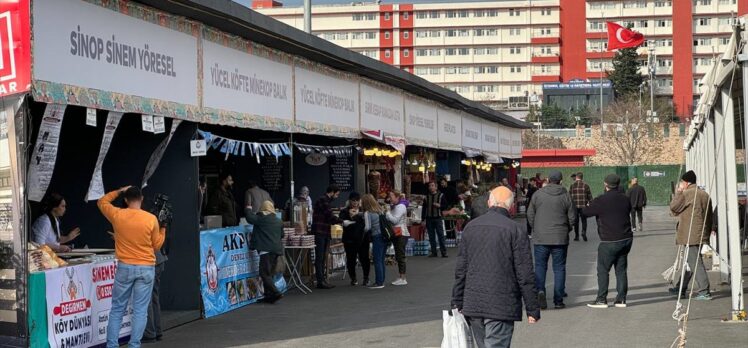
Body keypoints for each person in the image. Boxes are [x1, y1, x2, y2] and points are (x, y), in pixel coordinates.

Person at [452, 186, 540, 348]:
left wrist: (457, 301)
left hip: (474, 303)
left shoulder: (471, 227)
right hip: (502, 303)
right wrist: (532, 308)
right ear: (511, 206)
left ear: (489, 203)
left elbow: (461, 270)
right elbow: (524, 273)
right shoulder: (515, 230)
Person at [98, 186, 165, 348]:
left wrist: (120, 190)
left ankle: (112, 345)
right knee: (140, 311)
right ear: (141, 199)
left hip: (125, 266)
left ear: (126, 200)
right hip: (146, 267)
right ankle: (134, 345)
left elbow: (102, 201)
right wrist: (163, 228)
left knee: (117, 310)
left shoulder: (117, 215)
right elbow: (157, 244)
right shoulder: (150, 219)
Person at [583, 174, 634, 308]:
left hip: (609, 240)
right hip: (626, 238)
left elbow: (586, 212)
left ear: (605, 184)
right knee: (621, 269)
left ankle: (601, 299)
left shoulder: (601, 200)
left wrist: (589, 204)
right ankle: (621, 299)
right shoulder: (625, 199)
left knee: (603, 269)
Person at [527, 171, 575, 310]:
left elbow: (530, 214)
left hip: (541, 237)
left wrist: (535, 228)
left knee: (540, 266)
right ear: (560, 180)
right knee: (559, 268)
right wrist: (567, 229)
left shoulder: (538, 194)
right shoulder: (566, 195)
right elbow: (572, 217)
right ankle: (558, 300)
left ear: (548, 180)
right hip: (560, 237)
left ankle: (540, 290)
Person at [668, 170, 713, 300]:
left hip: (690, 234)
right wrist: (707, 233)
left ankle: (704, 291)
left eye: (682, 182)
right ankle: (681, 287)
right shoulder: (705, 195)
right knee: (690, 262)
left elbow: (674, 208)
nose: (681, 184)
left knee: (694, 262)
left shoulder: (687, 194)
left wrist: (678, 192)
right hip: (700, 233)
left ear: (686, 183)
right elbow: (709, 216)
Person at [245, 201, 284, 303]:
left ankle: (276, 292)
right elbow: (282, 235)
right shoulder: (278, 221)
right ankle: (269, 296)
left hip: (265, 250)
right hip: (276, 250)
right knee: (269, 273)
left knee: (264, 273)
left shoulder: (262, 218)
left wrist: (248, 208)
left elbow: (249, 218)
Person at [311, 185, 343, 289]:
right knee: (320, 257)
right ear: (332, 192)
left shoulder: (325, 201)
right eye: (337, 194)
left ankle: (322, 279)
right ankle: (320, 280)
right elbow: (329, 216)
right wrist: (342, 221)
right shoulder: (323, 200)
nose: (337, 197)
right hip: (320, 231)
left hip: (323, 231)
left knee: (322, 257)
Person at [143, 227, 167, 343]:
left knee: (147, 299)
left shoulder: (134, 222)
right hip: (158, 260)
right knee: (154, 298)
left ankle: (150, 333)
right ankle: (157, 332)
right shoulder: (146, 220)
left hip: (150, 261)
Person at [339, 192, 370, 286]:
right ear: (349, 201)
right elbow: (341, 222)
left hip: (363, 238)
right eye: (353, 201)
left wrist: (358, 215)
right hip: (349, 239)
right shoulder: (344, 211)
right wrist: (349, 216)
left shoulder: (364, 211)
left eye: (357, 200)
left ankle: (366, 278)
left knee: (364, 259)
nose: (355, 203)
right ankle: (353, 278)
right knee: (351, 260)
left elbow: (367, 223)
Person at [362, 194, 386, 289]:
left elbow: (367, 227)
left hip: (376, 236)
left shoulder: (367, 213)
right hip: (384, 236)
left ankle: (379, 282)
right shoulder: (380, 210)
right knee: (381, 259)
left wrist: (362, 231)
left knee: (377, 260)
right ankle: (382, 279)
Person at [387, 191, 410, 285]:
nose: (389, 198)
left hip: (401, 233)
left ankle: (403, 278)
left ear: (397, 197)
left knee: (400, 255)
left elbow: (395, 220)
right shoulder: (395, 206)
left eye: (391, 196)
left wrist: (387, 213)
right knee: (398, 255)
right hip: (397, 232)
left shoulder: (400, 206)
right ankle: (401, 276)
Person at [421, 181, 448, 258]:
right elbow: (424, 209)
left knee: (440, 235)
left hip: (438, 218)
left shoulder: (441, 195)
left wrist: (439, 205)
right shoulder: (426, 197)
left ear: (436, 187)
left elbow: (445, 206)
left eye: (432, 186)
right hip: (429, 218)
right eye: (430, 186)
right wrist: (423, 219)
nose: (431, 187)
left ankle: (444, 252)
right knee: (431, 236)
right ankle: (434, 252)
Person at [569, 172, 593, 242]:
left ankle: (576, 236)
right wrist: (590, 204)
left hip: (575, 206)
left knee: (576, 221)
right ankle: (583, 232)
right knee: (584, 220)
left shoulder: (572, 185)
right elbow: (590, 197)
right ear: (582, 177)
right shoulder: (586, 185)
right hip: (583, 206)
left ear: (576, 177)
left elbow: (569, 196)